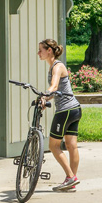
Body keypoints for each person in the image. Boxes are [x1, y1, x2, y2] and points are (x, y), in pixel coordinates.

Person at [37, 39, 82, 192]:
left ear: (49, 50)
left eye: (40, 50)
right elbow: (56, 91)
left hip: (65, 111)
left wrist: (44, 95)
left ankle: (71, 177)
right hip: (75, 108)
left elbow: (54, 86)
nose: (38, 53)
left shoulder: (57, 67)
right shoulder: (55, 66)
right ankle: (71, 182)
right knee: (71, 145)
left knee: (53, 146)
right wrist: (46, 98)